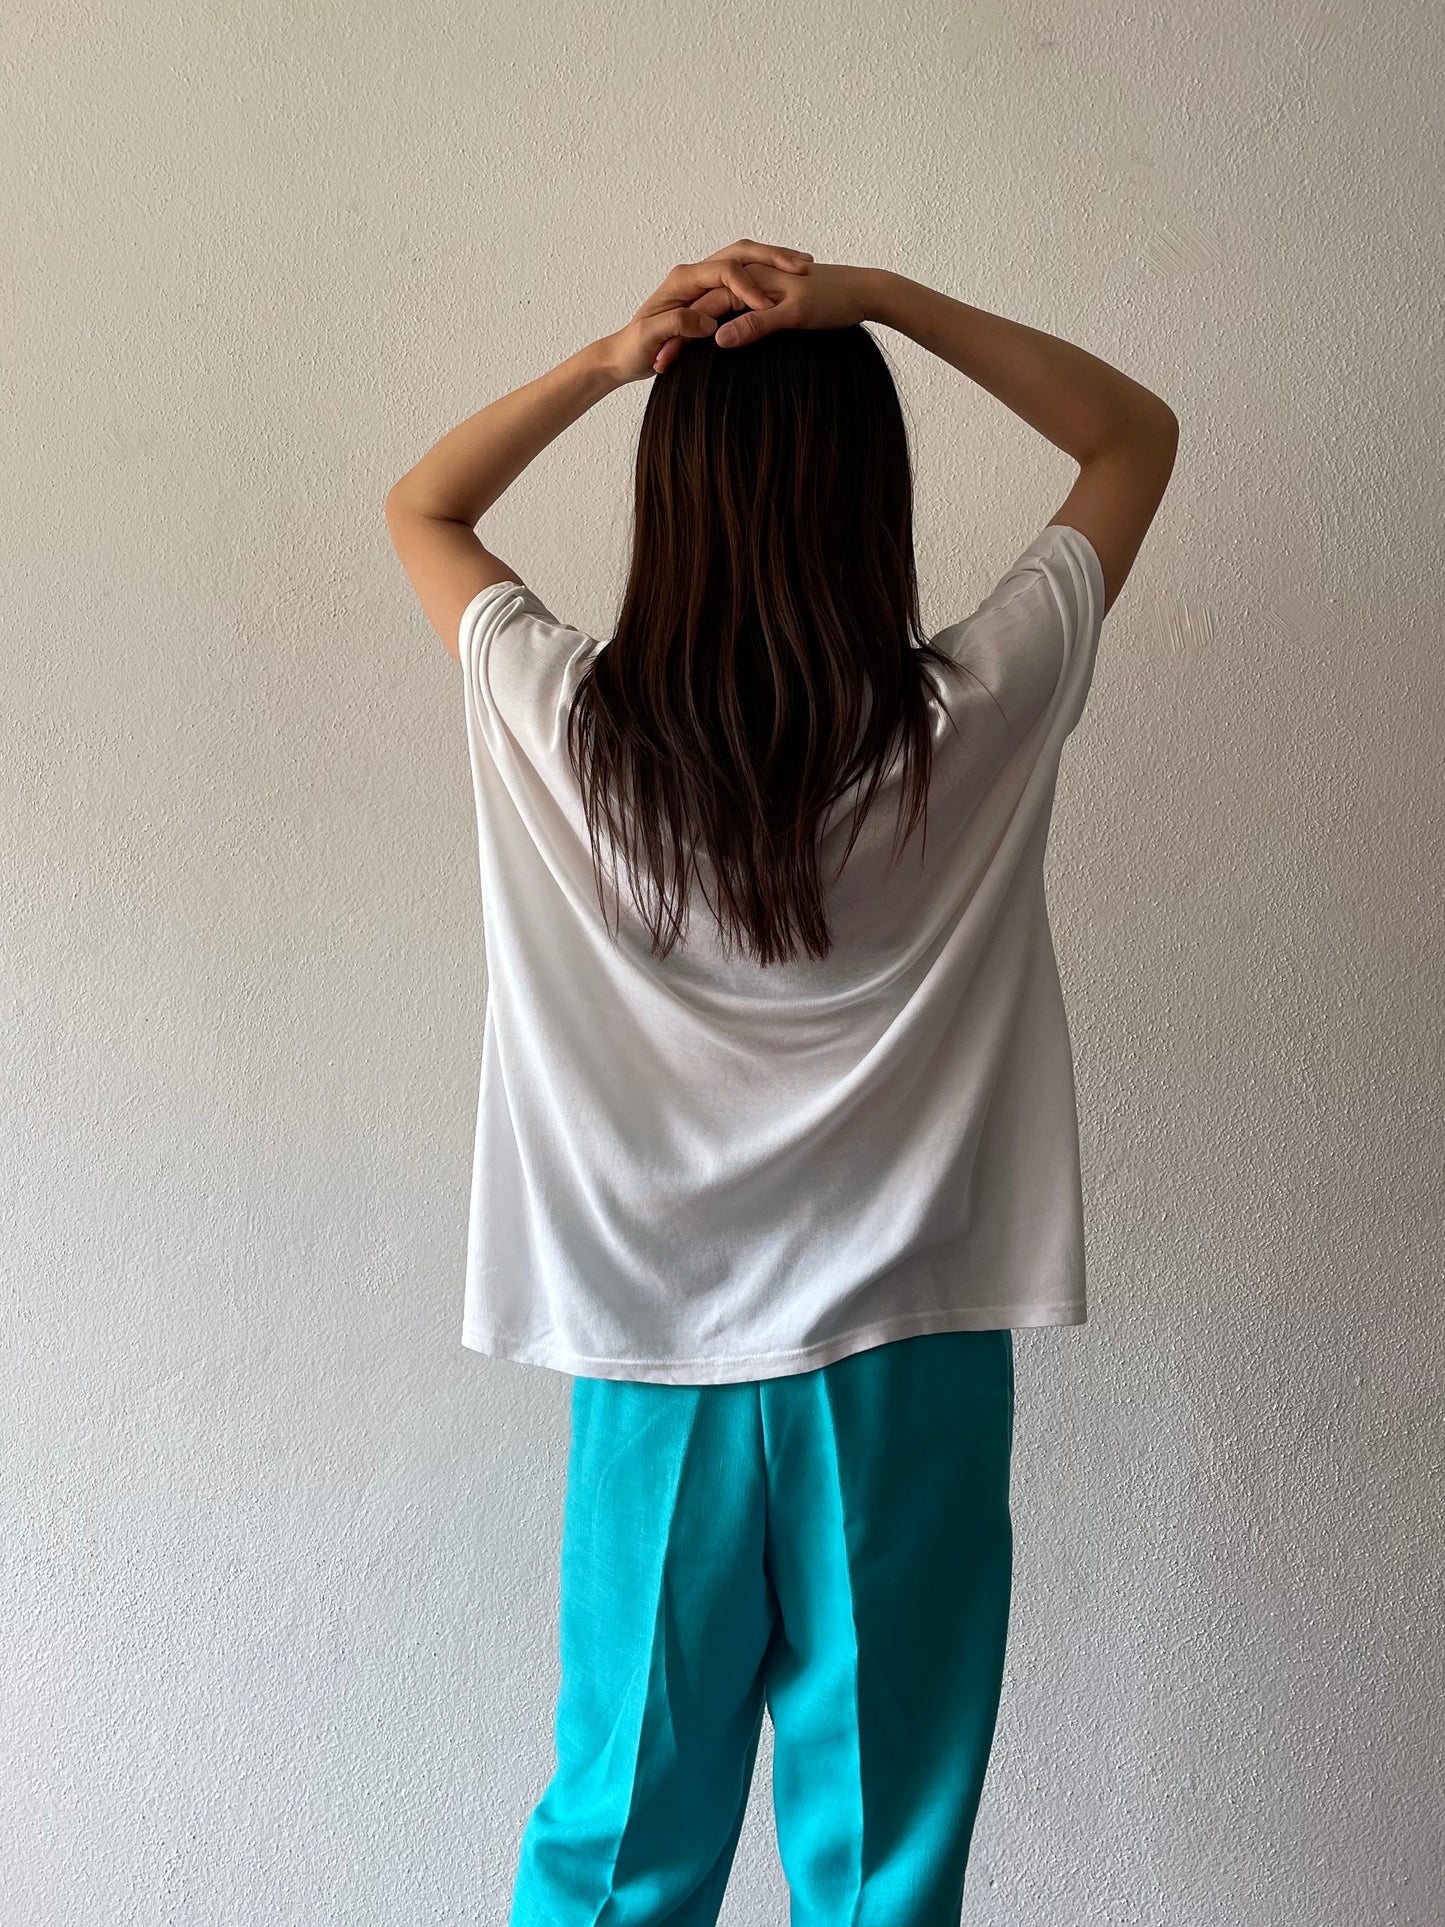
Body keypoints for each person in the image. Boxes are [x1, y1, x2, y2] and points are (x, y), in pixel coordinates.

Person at [384, 241, 1178, 1926]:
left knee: (615, 1849)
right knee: (884, 1859)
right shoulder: (969, 718)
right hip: (906, 1354)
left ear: (666, 509)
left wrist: (613, 358)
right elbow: (1131, 436)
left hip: (652, 1349)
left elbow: (423, 509)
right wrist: (885, 299)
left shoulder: (566, 724)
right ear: (872, 503)